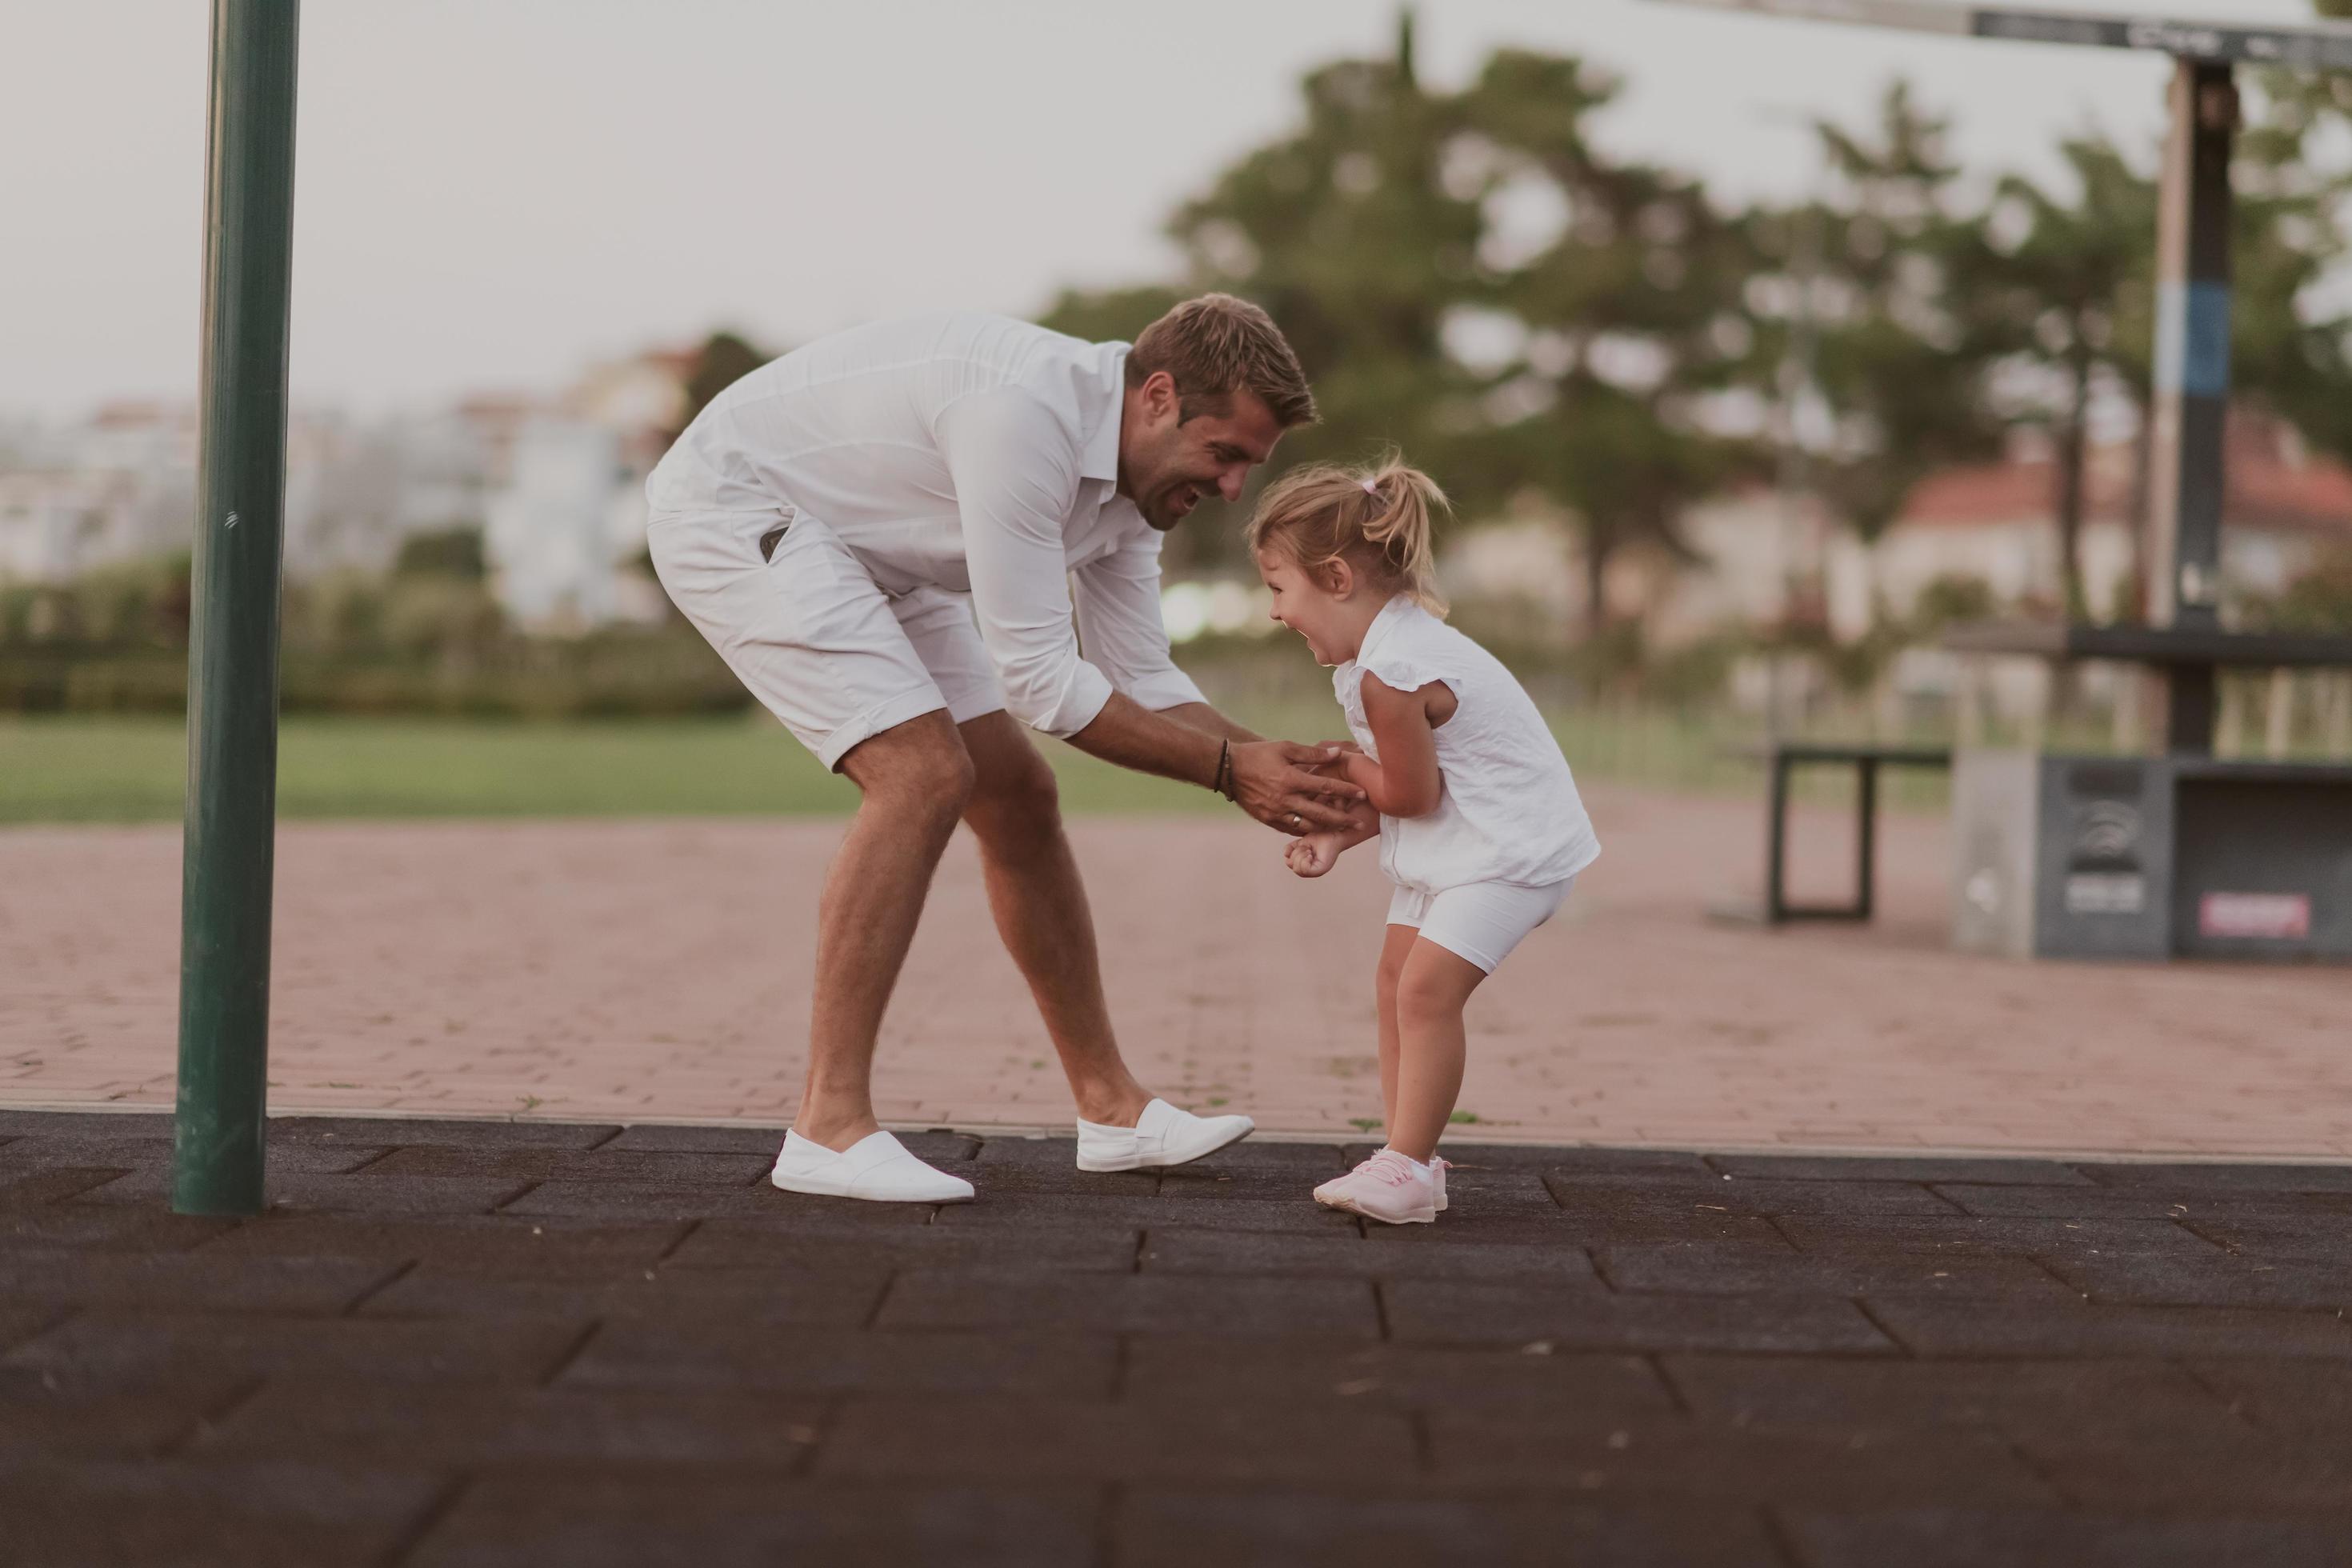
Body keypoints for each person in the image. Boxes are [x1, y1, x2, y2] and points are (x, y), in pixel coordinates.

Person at [645, 297, 1364, 1202]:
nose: (1230, 490)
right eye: (1222, 456)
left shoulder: (1140, 492)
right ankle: (827, 1128)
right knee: (923, 773)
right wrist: (1231, 773)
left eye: (1246, 468)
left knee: (1017, 793)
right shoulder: (1027, 419)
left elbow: (1139, 675)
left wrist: (1293, 771)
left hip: (873, 551)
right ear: (1157, 396)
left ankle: (1111, 1110)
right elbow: (1044, 685)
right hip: (736, 505)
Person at [1250, 458, 1601, 1224]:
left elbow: (1410, 791)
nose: (1275, 611)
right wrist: (1343, 832)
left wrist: (1343, 763)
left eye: (1280, 587)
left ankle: (1406, 1166)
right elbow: (1419, 786)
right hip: (1461, 842)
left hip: (1510, 854)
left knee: (1424, 992)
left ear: (1337, 578)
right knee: (1393, 981)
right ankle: (1409, 1159)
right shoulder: (1379, 658)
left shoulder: (1396, 670)